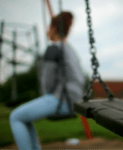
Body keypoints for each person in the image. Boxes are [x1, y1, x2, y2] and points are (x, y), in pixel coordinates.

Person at [9, 11, 86, 150]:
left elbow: (47, 82)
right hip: (75, 100)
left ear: (54, 29)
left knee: (15, 117)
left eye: (48, 28)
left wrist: (46, 95)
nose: (47, 32)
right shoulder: (69, 49)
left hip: (62, 99)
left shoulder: (53, 49)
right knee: (25, 118)